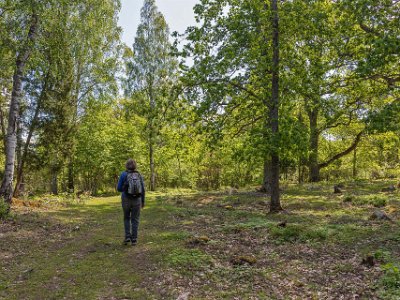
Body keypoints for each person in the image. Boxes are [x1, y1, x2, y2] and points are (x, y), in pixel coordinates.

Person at [117, 159, 145, 246]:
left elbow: (119, 188)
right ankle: (134, 239)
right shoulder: (139, 174)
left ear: (126, 165)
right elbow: (143, 189)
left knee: (126, 218)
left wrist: (125, 188)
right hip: (137, 200)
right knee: (135, 220)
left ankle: (127, 237)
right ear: (135, 166)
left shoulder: (123, 174)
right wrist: (143, 201)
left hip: (126, 199)